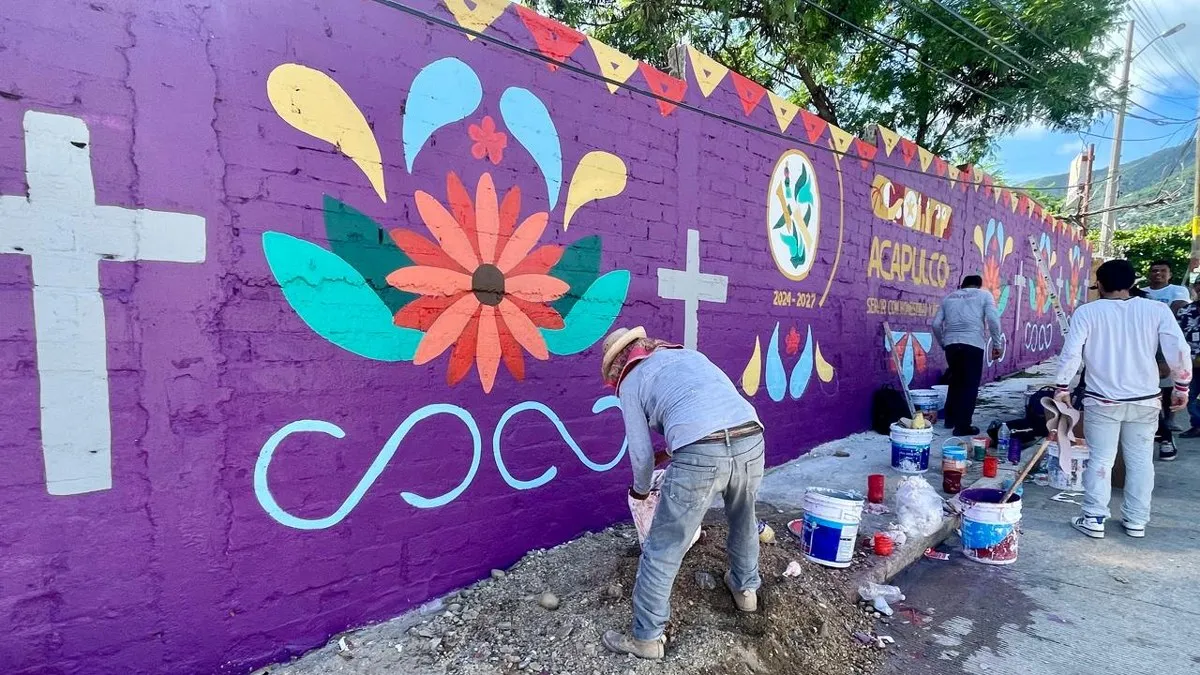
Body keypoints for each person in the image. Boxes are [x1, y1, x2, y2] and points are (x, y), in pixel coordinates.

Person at [599, 326, 765, 660]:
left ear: (618, 364)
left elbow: (642, 455)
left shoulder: (630, 380)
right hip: (751, 437)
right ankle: (746, 590)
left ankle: (647, 638)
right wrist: (680, 450)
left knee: (664, 545)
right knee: (744, 518)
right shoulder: (688, 355)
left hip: (702, 452)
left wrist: (641, 492)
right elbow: (712, 411)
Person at [1054, 260, 1191, 539]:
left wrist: (1061, 387)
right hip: (1146, 401)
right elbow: (1178, 349)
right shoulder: (1156, 310)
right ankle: (1136, 521)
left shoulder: (1087, 312)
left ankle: (1093, 518)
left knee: (1101, 460)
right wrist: (1182, 387)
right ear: (1131, 283)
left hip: (1102, 401)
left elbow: (1071, 354)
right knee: (1141, 462)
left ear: (1100, 284)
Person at [932, 275, 1004, 436]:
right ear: (979, 285)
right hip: (973, 344)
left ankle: (950, 420)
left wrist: (943, 342)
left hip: (951, 344)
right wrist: (997, 344)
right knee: (970, 386)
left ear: (962, 285)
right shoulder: (984, 295)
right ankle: (963, 425)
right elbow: (993, 319)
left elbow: (935, 324)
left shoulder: (949, 298)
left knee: (956, 381)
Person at [1175, 278, 1200, 440]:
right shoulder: (1186, 311)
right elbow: (1176, 336)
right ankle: (1197, 425)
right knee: (1190, 397)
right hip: (1191, 363)